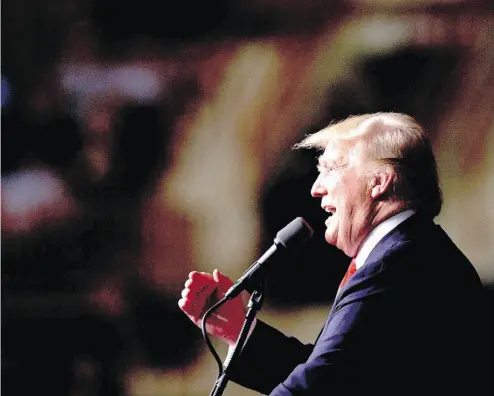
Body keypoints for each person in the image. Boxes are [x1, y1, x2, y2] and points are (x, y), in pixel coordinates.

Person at [178, 112, 490, 395]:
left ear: (379, 181)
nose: (316, 188)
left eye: (330, 168)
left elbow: (318, 386)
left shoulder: (396, 266)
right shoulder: (408, 252)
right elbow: (339, 379)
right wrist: (237, 329)